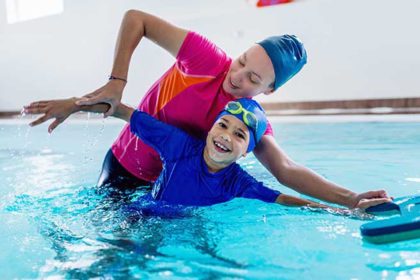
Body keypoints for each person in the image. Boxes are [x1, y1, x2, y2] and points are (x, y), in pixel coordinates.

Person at [23, 9, 391, 209]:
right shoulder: (205, 58)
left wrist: (350, 198)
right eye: (242, 60)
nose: (237, 76)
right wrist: (114, 83)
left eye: (252, 78)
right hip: (122, 166)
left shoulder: (246, 120)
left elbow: (286, 169)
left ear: (270, 89)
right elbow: (137, 18)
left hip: (165, 188)